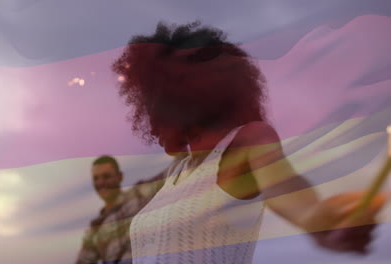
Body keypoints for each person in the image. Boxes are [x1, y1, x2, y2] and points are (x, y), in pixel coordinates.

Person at [111, 22, 387, 263]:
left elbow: (291, 195)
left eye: (153, 107)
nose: (148, 122)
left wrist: (318, 219)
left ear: (182, 102)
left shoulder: (247, 142)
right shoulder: (176, 174)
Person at [75, 155, 166, 264]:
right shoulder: (95, 228)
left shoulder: (138, 194)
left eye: (106, 176)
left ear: (120, 177)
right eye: (96, 178)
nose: (101, 182)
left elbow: (173, 172)